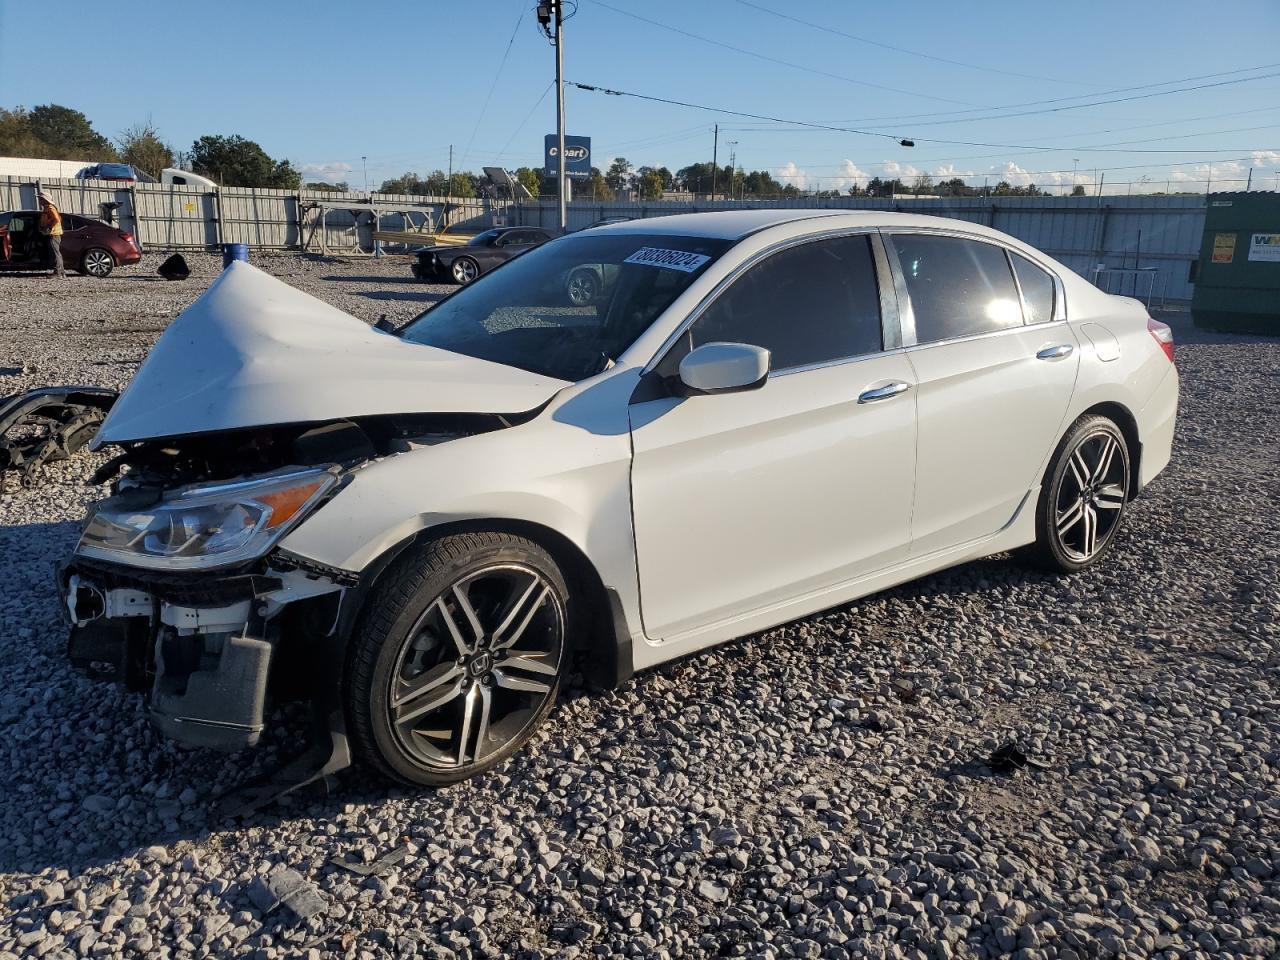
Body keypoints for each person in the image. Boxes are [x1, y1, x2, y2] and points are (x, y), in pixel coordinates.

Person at [37, 191, 65, 279]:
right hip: (54, 233)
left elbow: (57, 219)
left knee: (55, 254)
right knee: (57, 253)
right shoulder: (47, 208)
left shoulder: (50, 208)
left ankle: (58, 273)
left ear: (45, 199)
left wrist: (48, 228)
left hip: (54, 233)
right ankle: (62, 273)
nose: (39, 200)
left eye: (40, 198)